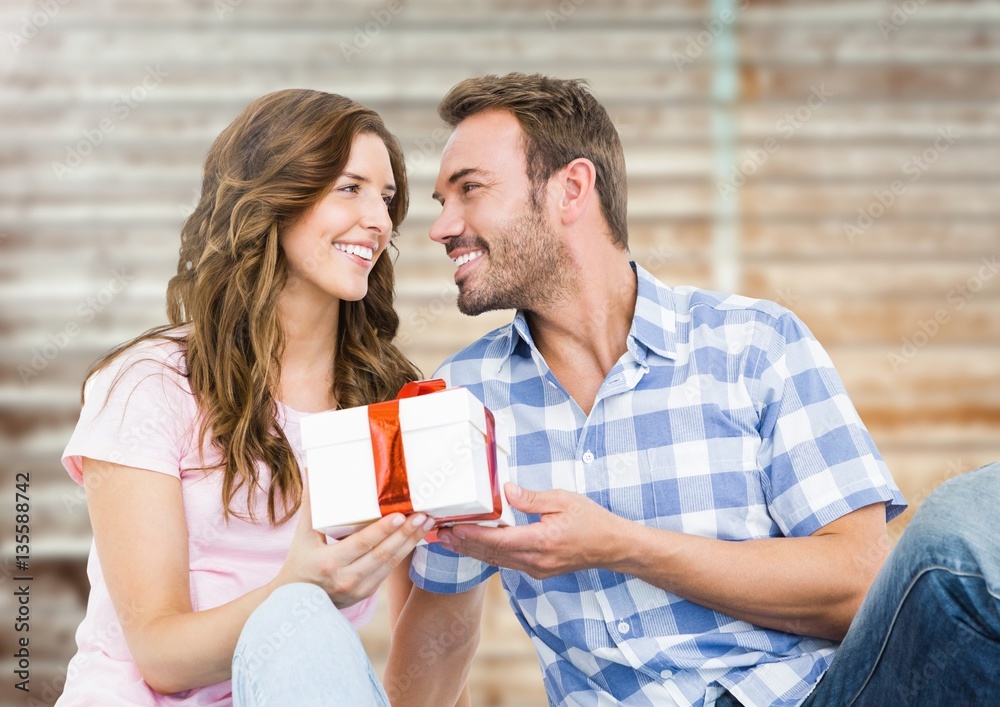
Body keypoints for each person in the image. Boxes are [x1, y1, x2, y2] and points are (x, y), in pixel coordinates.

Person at [384, 73, 1000, 706]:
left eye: (470, 190)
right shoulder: (460, 399)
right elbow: (440, 634)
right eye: (441, 200)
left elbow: (860, 586)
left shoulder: (755, 342)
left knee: (966, 522)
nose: (441, 226)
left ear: (571, 189)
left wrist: (622, 547)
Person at [57, 89, 434, 706]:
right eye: (350, 188)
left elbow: (428, 639)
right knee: (304, 621)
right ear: (275, 197)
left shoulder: (385, 402)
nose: (380, 220)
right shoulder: (149, 384)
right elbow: (158, 655)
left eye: (387, 198)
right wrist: (299, 588)